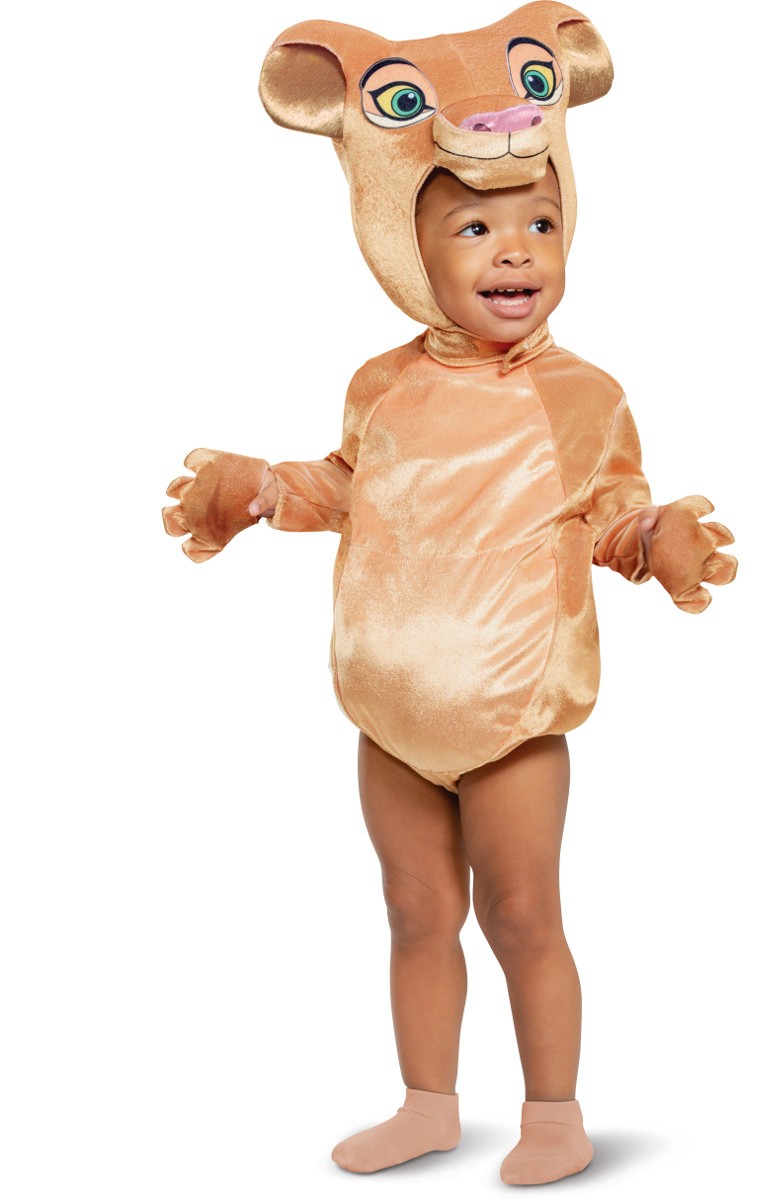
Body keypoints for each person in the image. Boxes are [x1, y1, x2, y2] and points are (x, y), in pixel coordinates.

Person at [163, 8, 736, 1185]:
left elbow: (609, 516)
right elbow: (349, 486)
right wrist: (259, 489)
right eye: (476, 227)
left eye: (540, 223)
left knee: (522, 914)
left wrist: (659, 538)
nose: (516, 252)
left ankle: (555, 1115)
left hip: (511, 714)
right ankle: (427, 1105)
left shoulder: (582, 394)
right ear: (405, 246)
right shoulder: (382, 383)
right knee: (416, 912)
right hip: (389, 716)